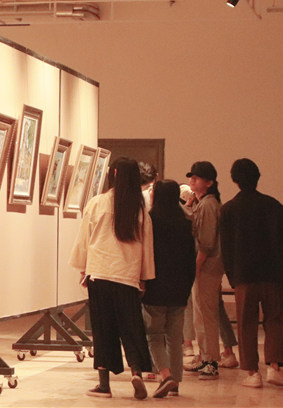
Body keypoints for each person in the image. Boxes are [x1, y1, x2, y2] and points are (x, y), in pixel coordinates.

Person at [70, 157, 155, 400]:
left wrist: (83, 268)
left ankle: (104, 385)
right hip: (127, 276)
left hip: (100, 273)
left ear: (113, 173)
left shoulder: (97, 203)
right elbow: (147, 247)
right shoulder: (140, 210)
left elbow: (85, 239)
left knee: (103, 329)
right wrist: (144, 277)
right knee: (131, 327)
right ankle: (136, 372)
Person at [220, 158, 283, 388]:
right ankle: (274, 367)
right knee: (275, 320)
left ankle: (252, 373)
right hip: (274, 274)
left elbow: (226, 247)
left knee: (246, 323)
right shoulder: (273, 205)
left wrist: (232, 275)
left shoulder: (229, 209)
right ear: (257, 177)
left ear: (235, 180)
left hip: (244, 276)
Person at [142, 180, 195, 398]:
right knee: (175, 338)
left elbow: (145, 254)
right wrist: (187, 286)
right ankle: (176, 382)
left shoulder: (150, 221)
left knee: (154, 335)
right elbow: (190, 259)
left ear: (156, 196)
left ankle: (166, 376)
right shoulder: (185, 222)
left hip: (155, 286)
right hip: (179, 288)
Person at [181, 161, 229, 380]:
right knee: (200, 314)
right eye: (191, 177)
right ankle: (203, 356)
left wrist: (196, 268)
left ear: (209, 182)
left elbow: (206, 243)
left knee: (206, 314)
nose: (192, 180)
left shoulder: (209, 205)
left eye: (197, 178)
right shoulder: (203, 203)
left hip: (207, 267)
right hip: (206, 267)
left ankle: (210, 361)